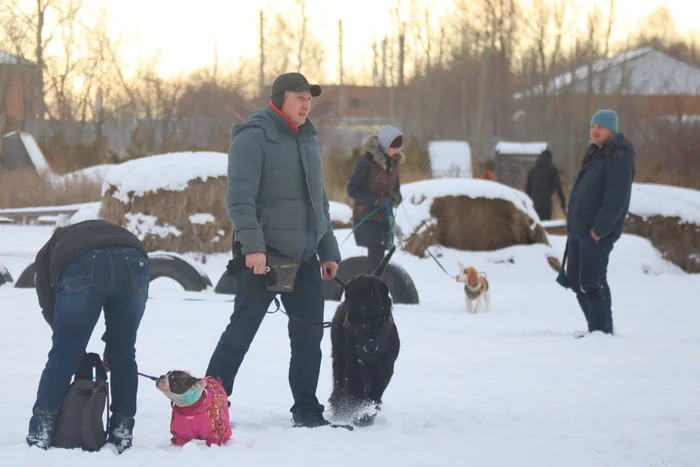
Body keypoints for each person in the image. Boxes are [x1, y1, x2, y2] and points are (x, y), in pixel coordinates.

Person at [205, 72, 341, 428]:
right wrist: (253, 247)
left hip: (306, 256)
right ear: (280, 99)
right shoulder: (254, 137)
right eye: (299, 98)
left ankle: (307, 410)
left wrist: (328, 249)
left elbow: (319, 201)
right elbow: (239, 200)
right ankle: (210, 407)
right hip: (262, 258)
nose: (306, 105)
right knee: (241, 333)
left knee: (309, 336)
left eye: (309, 99)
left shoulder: (308, 138)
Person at [27, 219, 149, 453]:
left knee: (63, 354)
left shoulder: (52, 247)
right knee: (123, 353)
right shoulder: (106, 230)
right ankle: (122, 431)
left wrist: (69, 343)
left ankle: (40, 431)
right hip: (136, 261)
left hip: (84, 264)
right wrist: (111, 347)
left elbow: (46, 297)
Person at [565, 109, 635, 336]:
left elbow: (616, 199)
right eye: (592, 126)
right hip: (579, 227)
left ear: (611, 130)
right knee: (575, 279)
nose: (594, 131)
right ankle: (594, 328)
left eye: (600, 127)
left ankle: (602, 331)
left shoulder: (619, 158)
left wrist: (599, 230)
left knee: (592, 281)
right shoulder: (596, 152)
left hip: (596, 232)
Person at [346, 125, 404, 272]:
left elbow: (396, 189)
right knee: (376, 255)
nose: (396, 150)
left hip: (385, 218)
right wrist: (376, 201)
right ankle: (371, 288)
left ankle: (375, 285)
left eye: (398, 147)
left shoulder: (393, 164)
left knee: (381, 258)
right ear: (384, 144)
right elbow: (352, 190)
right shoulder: (366, 162)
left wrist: (396, 198)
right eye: (393, 146)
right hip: (367, 217)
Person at [525, 149, 567, 221]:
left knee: (536, 225)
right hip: (546, 204)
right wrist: (563, 204)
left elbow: (527, 189)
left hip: (534, 204)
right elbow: (558, 188)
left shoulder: (533, 171)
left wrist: (528, 203)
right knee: (546, 226)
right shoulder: (552, 170)